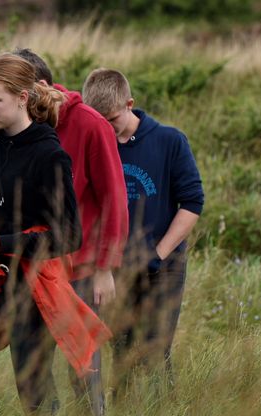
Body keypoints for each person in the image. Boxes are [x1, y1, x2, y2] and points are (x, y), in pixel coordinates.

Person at [0, 53, 109, 416]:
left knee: (32, 389)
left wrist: (2, 242)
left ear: (22, 97)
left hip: (33, 283)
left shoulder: (49, 155)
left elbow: (69, 236)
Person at [13, 48, 129, 416]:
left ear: (42, 87)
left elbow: (114, 197)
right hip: (34, 263)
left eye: (22, 94)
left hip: (80, 266)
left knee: (82, 362)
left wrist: (105, 267)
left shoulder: (90, 124)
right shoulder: (18, 129)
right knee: (32, 360)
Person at [81, 68, 204, 393]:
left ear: (129, 104)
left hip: (162, 266)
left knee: (154, 349)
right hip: (112, 268)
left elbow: (191, 204)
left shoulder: (169, 141)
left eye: (111, 119)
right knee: (121, 349)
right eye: (97, 120)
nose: (105, 128)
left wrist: (157, 255)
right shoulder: (92, 144)